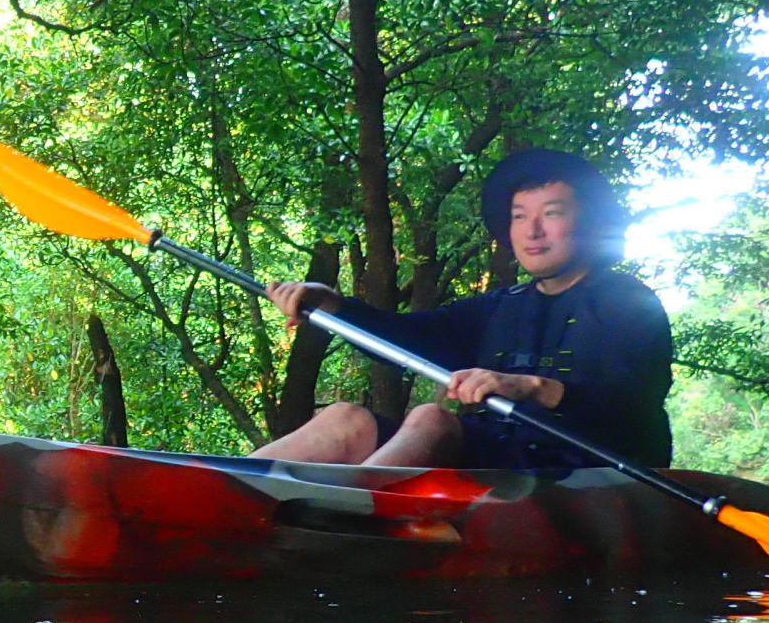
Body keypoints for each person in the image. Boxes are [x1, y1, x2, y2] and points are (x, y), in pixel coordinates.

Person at [251, 149, 673, 471]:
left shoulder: (629, 303)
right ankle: (228, 488)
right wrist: (332, 305)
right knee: (346, 418)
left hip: (584, 472)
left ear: (591, 222)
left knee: (431, 419)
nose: (532, 230)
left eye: (551, 214)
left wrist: (532, 387)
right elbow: (408, 339)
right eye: (520, 216)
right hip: (494, 462)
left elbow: (633, 406)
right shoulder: (499, 308)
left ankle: (343, 515)